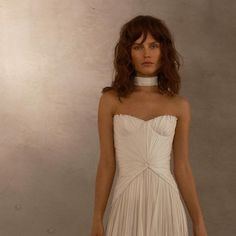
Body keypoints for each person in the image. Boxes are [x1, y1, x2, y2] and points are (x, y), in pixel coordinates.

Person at [90, 15, 208, 236]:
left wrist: (199, 222)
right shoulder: (111, 100)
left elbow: (182, 167)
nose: (147, 54)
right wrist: (97, 218)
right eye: (138, 46)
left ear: (164, 51)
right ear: (128, 54)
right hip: (127, 202)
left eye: (154, 45)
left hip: (166, 203)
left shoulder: (179, 105)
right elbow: (107, 163)